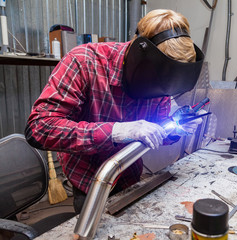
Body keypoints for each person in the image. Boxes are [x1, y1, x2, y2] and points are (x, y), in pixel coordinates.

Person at [25, 9, 205, 214]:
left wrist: (176, 128)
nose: (161, 95)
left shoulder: (160, 78)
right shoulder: (84, 61)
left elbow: (157, 129)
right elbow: (40, 129)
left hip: (130, 174)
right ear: (140, 57)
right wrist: (117, 131)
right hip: (89, 178)